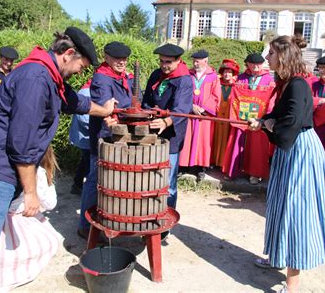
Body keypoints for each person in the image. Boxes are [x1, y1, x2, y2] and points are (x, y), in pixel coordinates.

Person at [0, 27, 115, 292]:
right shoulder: (36, 78)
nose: (82, 71)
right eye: (82, 64)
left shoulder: (47, 74)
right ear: (68, 54)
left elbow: (71, 100)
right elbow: (21, 144)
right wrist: (31, 192)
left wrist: (103, 110)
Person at [249, 35, 325, 293]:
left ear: (283, 57)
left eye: (271, 54)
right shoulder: (288, 83)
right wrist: (264, 120)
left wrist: (268, 126)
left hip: (300, 150)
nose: (267, 58)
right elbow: (279, 115)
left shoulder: (298, 85)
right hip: (289, 150)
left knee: (295, 209)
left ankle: (293, 284)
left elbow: (291, 122)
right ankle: (276, 256)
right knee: (280, 204)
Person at [77, 41, 136, 239]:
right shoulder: (102, 78)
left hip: (120, 136)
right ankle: (85, 226)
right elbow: (104, 105)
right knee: (95, 180)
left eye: (124, 59)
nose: (121, 62)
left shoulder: (124, 77)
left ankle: (110, 220)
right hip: (104, 137)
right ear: (106, 58)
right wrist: (112, 115)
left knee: (112, 182)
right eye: (117, 59)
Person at [0, 145, 60, 291]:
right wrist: (48, 180)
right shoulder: (37, 171)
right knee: (50, 242)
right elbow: (50, 203)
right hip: (14, 222)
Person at [142, 43, 193, 214]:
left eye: (168, 62)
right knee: (150, 178)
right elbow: (146, 100)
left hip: (172, 135)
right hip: (151, 132)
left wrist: (166, 122)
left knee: (168, 181)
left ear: (178, 61)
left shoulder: (184, 79)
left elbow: (182, 109)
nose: (164, 65)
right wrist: (147, 113)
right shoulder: (156, 74)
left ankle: (166, 221)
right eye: (161, 61)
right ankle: (149, 214)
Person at [222, 53, 275, 184]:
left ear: (263, 64)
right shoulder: (241, 78)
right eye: (252, 64)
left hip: (259, 117)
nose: (256, 66)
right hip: (241, 116)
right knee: (236, 143)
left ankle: (255, 173)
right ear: (248, 64)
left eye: (258, 64)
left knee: (257, 145)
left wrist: (267, 116)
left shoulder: (269, 80)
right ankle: (232, 170)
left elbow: (272, 98)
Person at [178, 49, 220, 179]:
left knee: (203, 140)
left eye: (197, 61)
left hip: (204, 115)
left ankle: (201, 167)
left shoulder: (213, 77)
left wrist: (203, 109)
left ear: (205, 61)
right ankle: (183, 166)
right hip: (189, 112)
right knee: (187, 138)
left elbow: (216, 96)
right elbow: (182, 93)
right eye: (194, 61)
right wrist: (190, 105)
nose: (195, 64)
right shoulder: (188, 74)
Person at [211, 59, 240, 168]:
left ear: (233, 74)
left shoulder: (237, 86)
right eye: (225, 72)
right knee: (215, 138)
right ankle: (213, 161)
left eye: (230, 72)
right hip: (217, 116)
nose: (227, 74)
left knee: (227, 139)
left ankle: (224, 163)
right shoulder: (217, 84)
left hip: (229, 116)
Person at [68, 80, 91, 195]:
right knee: (88, 161)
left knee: (86, 160)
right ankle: (81, 186)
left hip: (87, 136)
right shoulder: (86, 91)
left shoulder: (95, 89)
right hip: (84, 136)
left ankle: (77, 184)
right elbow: (84, 118)